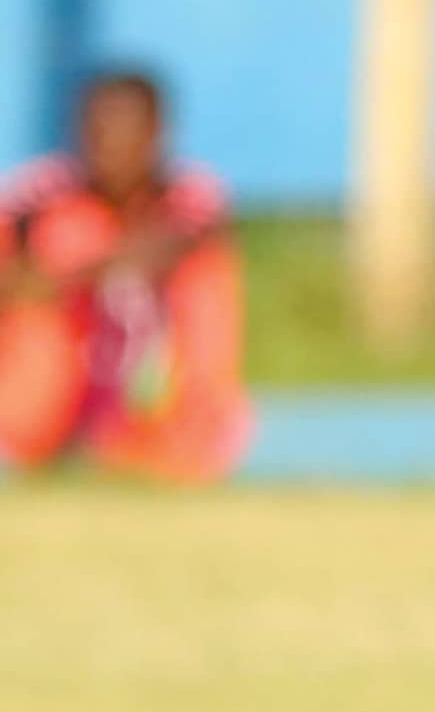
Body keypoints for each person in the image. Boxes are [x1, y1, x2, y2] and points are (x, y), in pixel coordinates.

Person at [0, 67, 252, 482]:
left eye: (126, 135)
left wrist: (57, 279)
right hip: (57, 378)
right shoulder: (41, 193)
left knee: (204, 274)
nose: (111, 151)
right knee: (62, 238)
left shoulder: (191, 192)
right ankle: (30, 430)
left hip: (146, 382)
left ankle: (183, 433)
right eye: (99, 134)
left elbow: (164, 248)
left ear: (156, 133)